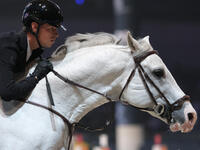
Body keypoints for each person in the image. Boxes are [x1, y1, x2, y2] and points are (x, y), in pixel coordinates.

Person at [0, 0, 65, 102]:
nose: (56, 35)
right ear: (34, 27)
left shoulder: (34, 51)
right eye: (51, 29)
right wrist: (36, 76)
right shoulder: (8, 45)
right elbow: (7, 92)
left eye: (56, 29)